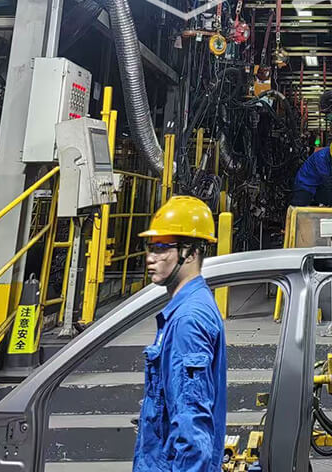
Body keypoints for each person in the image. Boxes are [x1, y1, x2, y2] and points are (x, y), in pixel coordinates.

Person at [134, 196, 226, 472]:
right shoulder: (188, 307)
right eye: (150, 247)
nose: (150, 258)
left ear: (191, 253)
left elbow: (191, 423)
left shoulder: (188, 320)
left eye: (161, 248)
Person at [291, 140, 332, 206]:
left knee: (331, 200)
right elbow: (326, 178)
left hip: (318, 185)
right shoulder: (321, 157)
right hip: (305, 184)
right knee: (299, 208)